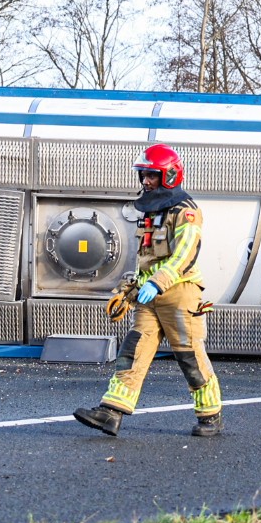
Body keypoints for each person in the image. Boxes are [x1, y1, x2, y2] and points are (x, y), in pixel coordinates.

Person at [74, 144, 225, 437]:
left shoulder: (187, 212)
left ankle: (210, 414)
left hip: (180, 293)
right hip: (149, 296)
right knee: (133, 351)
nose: (146, 181)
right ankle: (111, 412)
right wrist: (130, 289)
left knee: (189, 355)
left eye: (152, 176)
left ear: (169, 176)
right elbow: (145, 258)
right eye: (143, 175)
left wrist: (158, 282)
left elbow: (185, 254)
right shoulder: (149, 210)